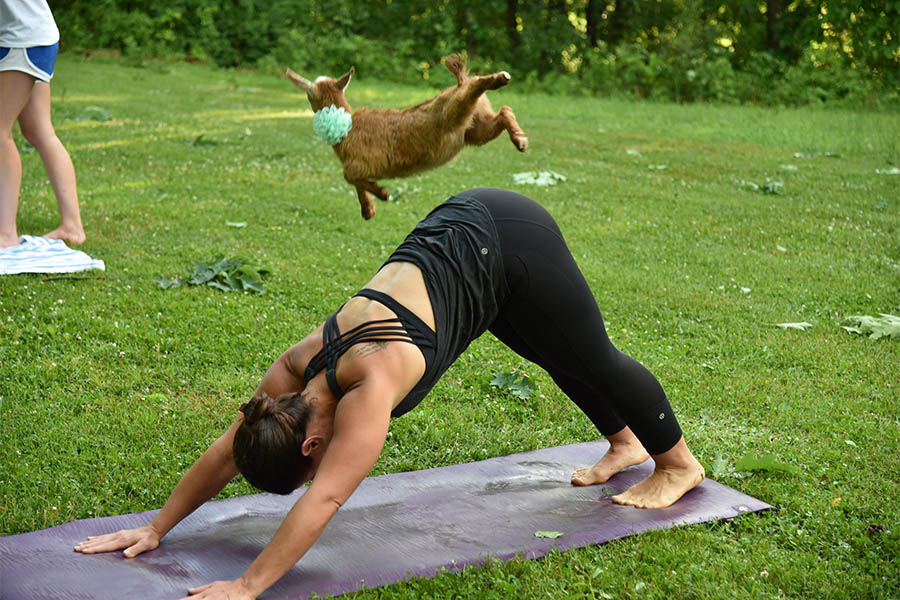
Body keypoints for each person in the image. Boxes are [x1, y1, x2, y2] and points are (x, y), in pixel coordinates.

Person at [74, 188, 705, 599]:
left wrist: (247, 585)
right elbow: (226, 451)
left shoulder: (371, 385)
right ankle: (624, 443)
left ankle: (677, 464)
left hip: (508, 237)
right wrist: (157, 528)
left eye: (307, 465)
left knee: (594, 355)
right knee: (554, 349)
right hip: (463, 241)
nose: (317, 467)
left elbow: (325, 498)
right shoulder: (289, 380)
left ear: (313, 441)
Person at [0, 0, 85, 248]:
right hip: (31, 35)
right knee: (39, 130)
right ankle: (72, 225)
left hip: (21, 39)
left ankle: (5, 235)